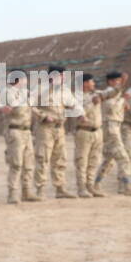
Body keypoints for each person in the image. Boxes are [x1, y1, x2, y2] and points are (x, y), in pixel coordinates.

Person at [31, 65, 78, 199]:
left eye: (64, 76)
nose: (63, 78)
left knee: (60, 159)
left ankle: (60, 188)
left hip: (60, 128)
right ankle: (40, 190)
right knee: (43, 158)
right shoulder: (40, 89)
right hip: (45, 128)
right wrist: (43, 116)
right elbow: (30, 106)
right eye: (60, 75)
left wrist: (67, 114)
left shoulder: (65, 90)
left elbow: (73, 105)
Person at [92, 71, 131, 195]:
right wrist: (122, 100)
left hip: (116, 126)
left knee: (109, 159)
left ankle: (96, 184)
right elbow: (111, 108)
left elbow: (125, 108)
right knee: (124, 158)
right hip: (110, 126)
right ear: (110, 82)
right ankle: (126, 185)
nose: (118, 83)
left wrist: (124, 102)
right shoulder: (106, 94)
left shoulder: (118, 95)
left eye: (120, 81)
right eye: (116, 81)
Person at [0, 73, 36, 203]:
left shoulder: (26, 93)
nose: (26, 81)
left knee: (28, 163)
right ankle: (13, 193)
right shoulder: (7, 93)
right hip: (14, 131)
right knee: (16, 163)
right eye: (24, 79)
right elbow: (14, 107)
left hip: (27, 131)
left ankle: (27, 191)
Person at [72, 73, 106, 198]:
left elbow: (109, 93)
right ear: (85, 83)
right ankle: (81, 188)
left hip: (97, 131)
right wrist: (92, 103)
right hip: (84, 131)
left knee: (94, 160)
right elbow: (77, 113)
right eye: (91, 82)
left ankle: (90, 186)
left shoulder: (95, 94)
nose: (94, 84)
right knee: (82, 160)